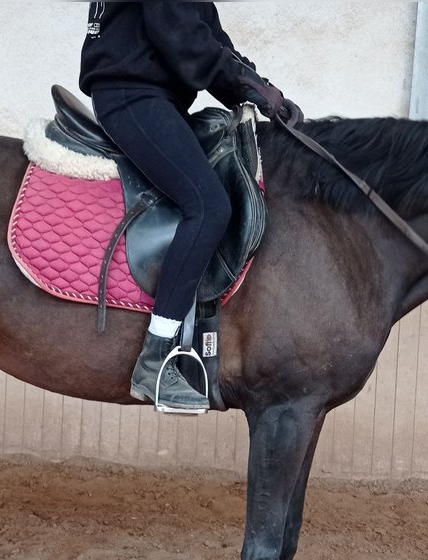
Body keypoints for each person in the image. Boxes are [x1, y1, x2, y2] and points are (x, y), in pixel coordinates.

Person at [79, 0, 303, 412]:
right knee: (209, 205)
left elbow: (209, 38)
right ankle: (155, 358)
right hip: (132, 95)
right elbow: (184, 39)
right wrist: (253, 88)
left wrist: (258, 86)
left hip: (153, 97)